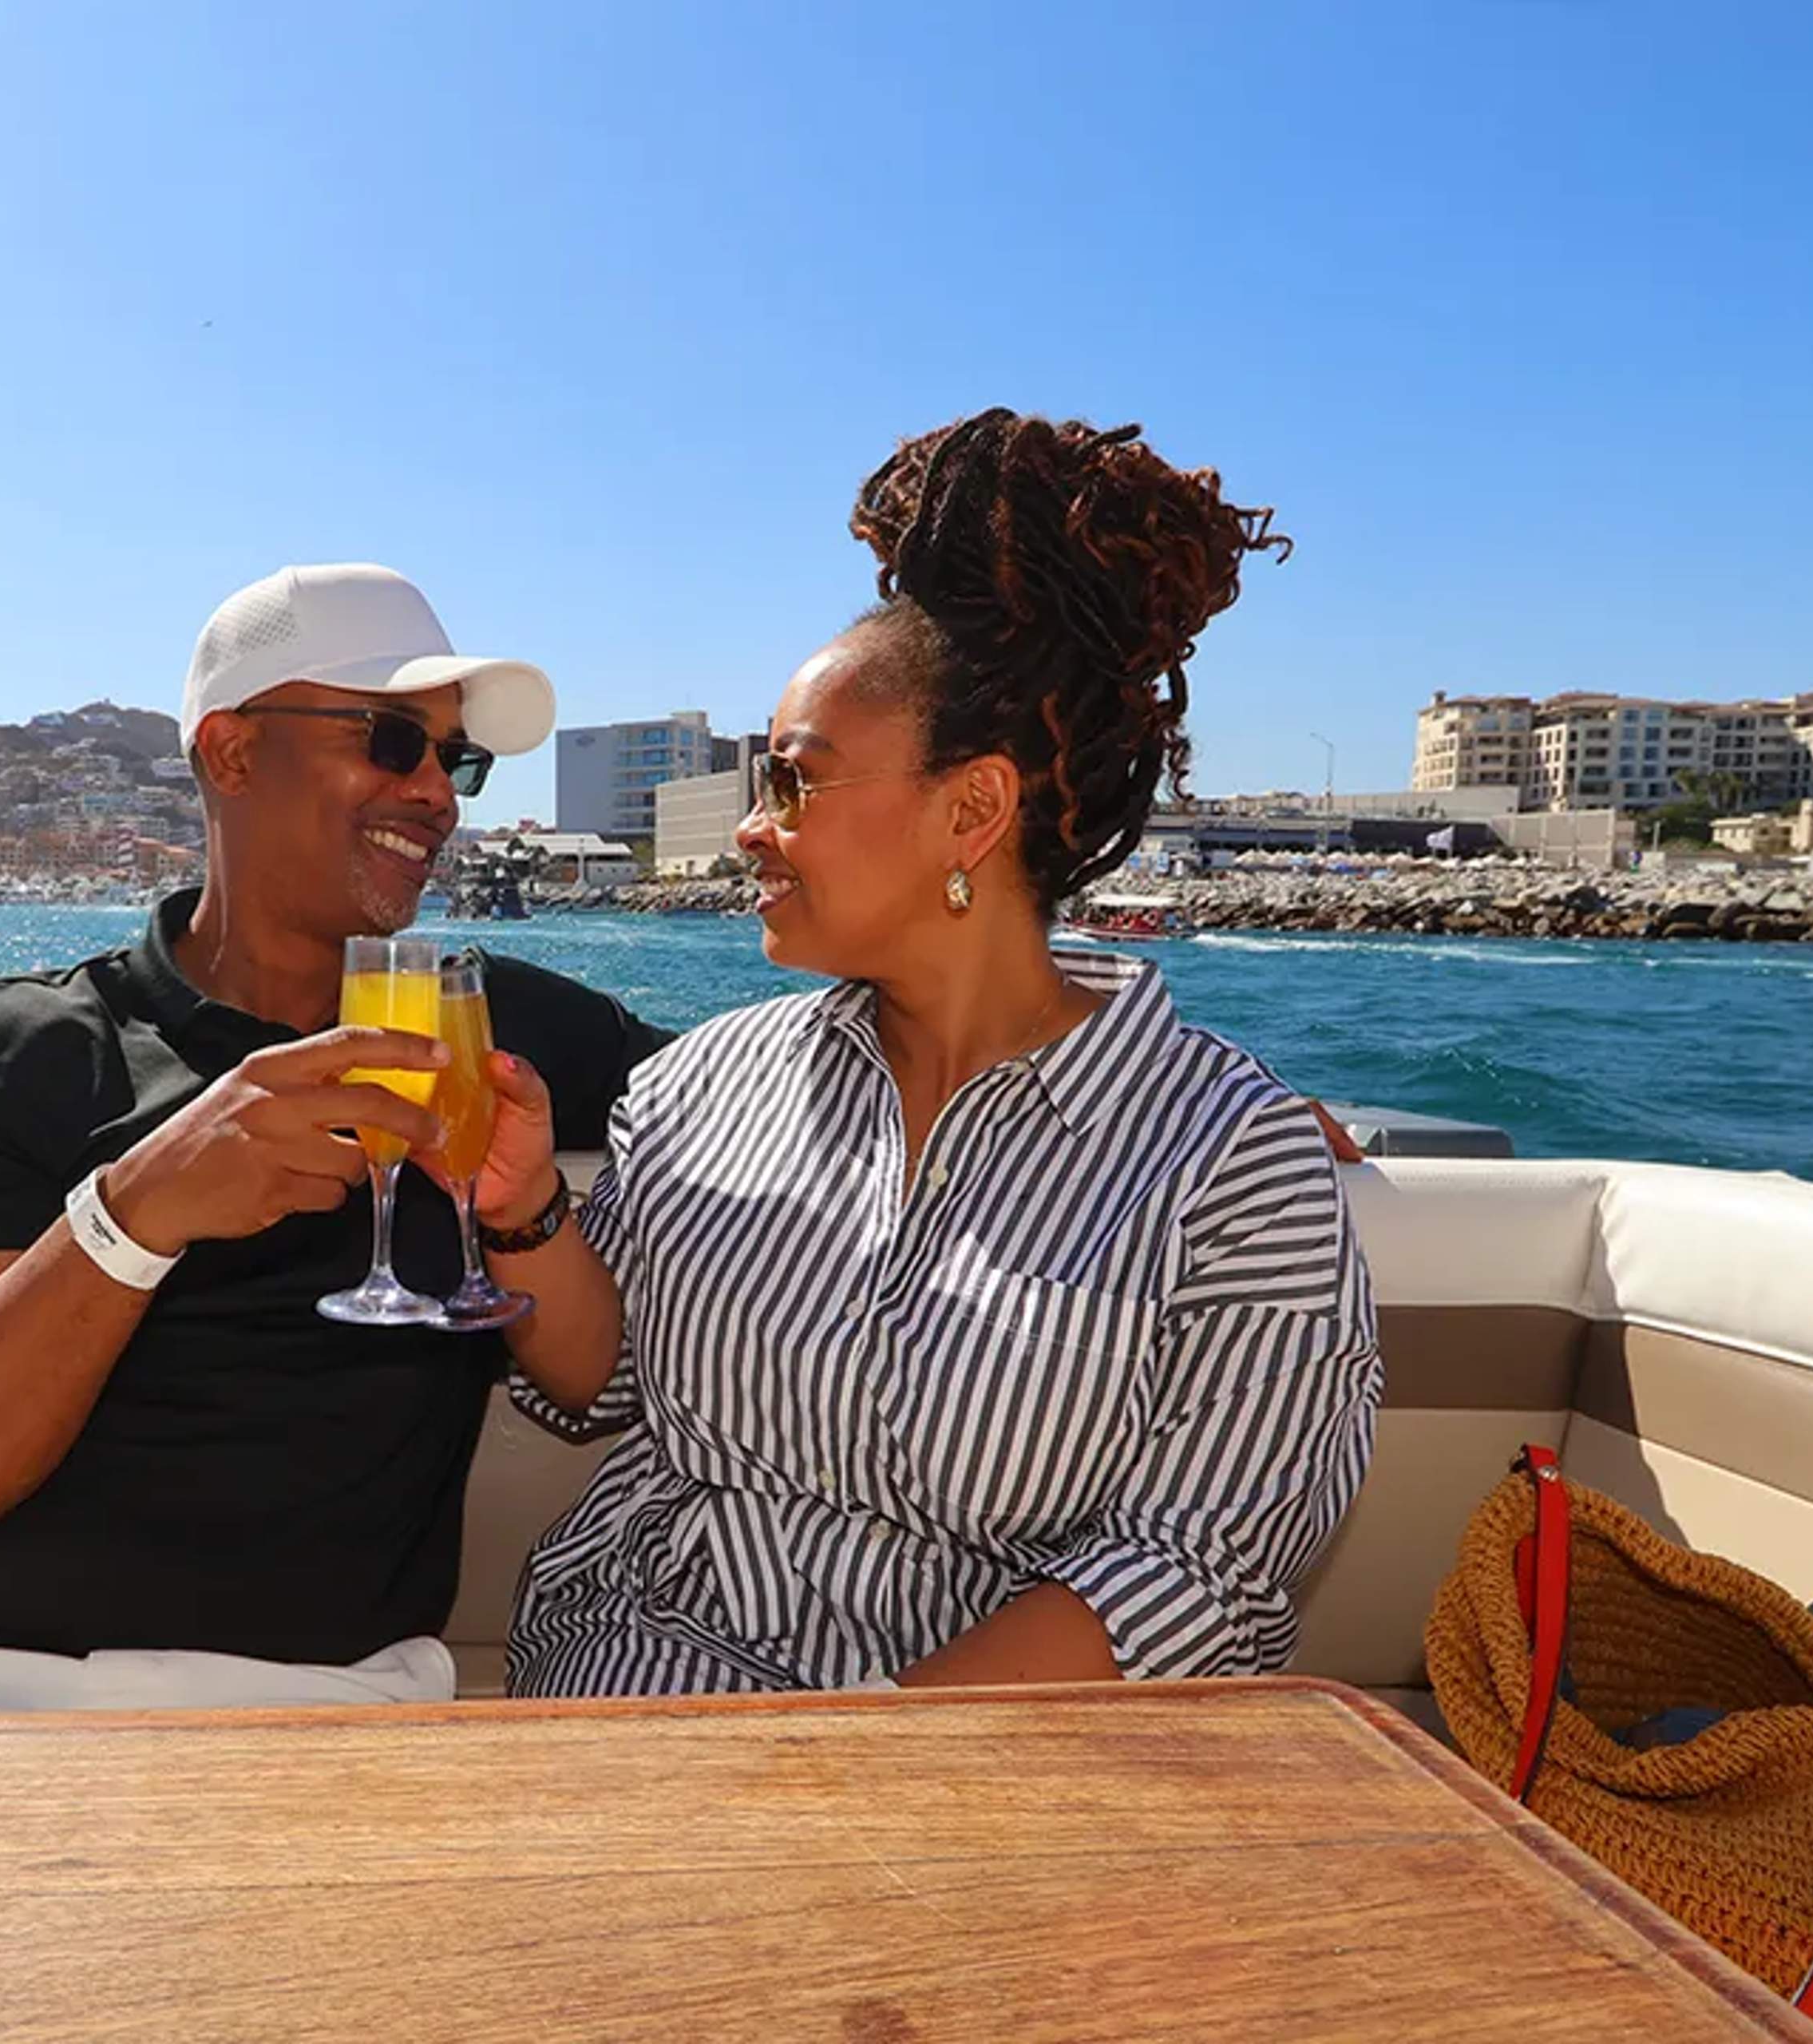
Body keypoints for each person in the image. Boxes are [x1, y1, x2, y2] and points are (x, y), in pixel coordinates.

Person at [459, 410, 1381, 1696]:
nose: (749, 833)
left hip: (998, 1780)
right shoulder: (699, 1089)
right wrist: (524, 1216)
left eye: (793, 784)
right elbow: (605, 1385)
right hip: (637, 1698)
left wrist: (851, 1769)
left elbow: (1194, 1572)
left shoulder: (1232, 1161)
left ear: (972, 810)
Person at [0, 564, 667, 1719]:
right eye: (394, 739)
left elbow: (778, 1079)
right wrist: (136, 1214)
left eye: (454, 760)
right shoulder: (16, 1048)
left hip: (323, 1695)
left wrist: (523, 1213)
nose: (441, 796)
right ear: (231, 754)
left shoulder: (499, 1027)